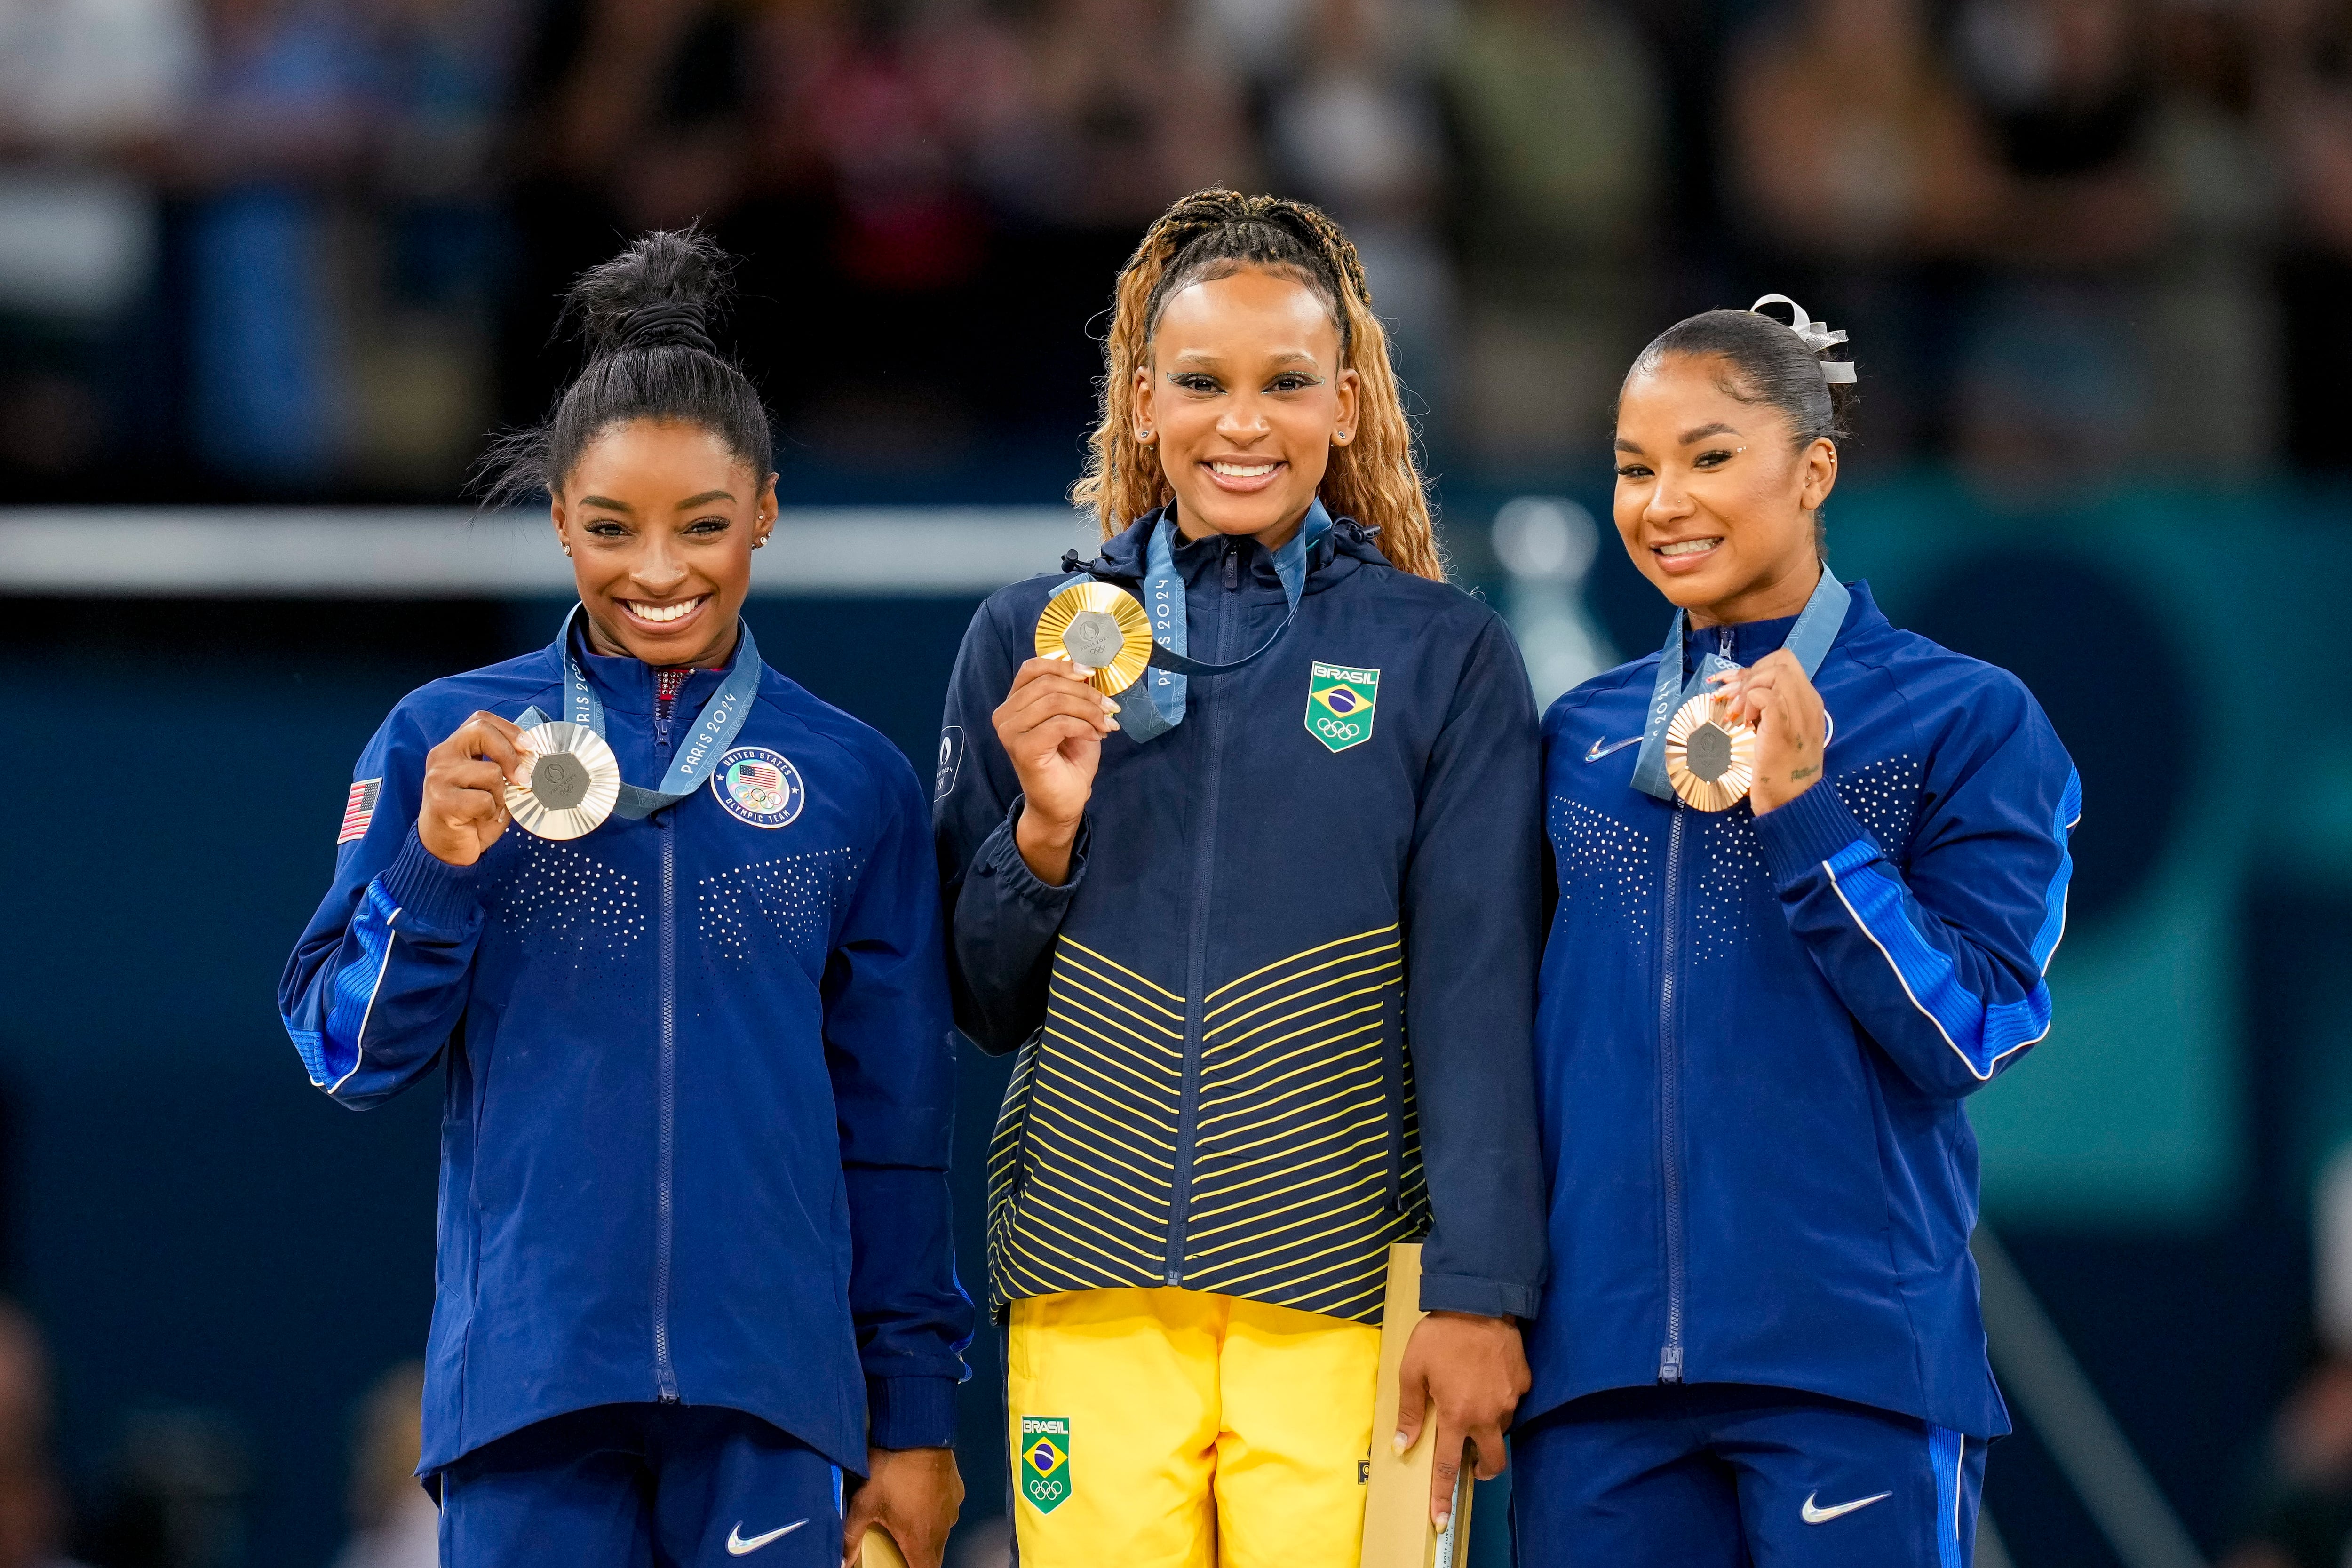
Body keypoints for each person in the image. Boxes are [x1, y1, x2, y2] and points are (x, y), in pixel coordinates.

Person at [278, 228, 970, 1568]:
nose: (658, 572)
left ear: (767, 509)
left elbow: (896, 1132)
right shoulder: (446, 739)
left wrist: (919, 1418)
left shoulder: (852, 781)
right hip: (529, 1390)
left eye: (704, 526)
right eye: (610, 529)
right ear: (557, 518)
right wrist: (433, 867)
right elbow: (344, 1053)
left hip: (772, 1396)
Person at [932, 188, 1546, 1568]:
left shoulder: (1441, 657)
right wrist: (1037, 835)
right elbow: (978, 998)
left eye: (1286, 384)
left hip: (1344, 1299)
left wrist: (1483, 1290)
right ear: (1143, 401)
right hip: (1088, 1290)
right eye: (1203, 384)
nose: (1244, 423)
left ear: (1347, 401)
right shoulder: (1027, 644)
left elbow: (1479, 998)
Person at [1513, 298, 2080, 1566]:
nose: (1664, 501)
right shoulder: (1577, 739)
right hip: (1596, 1384)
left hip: (1849, 1367)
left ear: (1813, 468)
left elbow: (1975, 1028)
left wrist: (1809, 818)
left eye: (1709, 457)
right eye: (1633, 466)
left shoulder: (1966, 719)